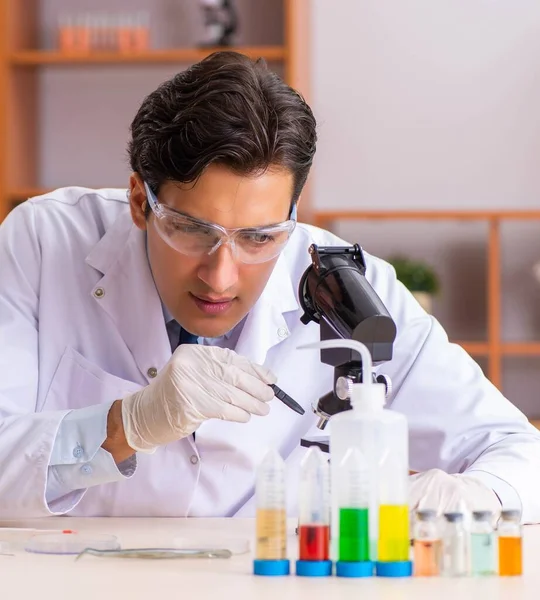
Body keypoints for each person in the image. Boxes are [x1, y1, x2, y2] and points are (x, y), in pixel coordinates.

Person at [1, 51, 539, 521]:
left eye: (259, 236)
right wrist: (124, 425)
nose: (221, 276)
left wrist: (480, 496)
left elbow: (519, 452)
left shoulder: (351, 286)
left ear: (293, 215)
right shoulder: (44, 243)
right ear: (141, 201)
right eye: (192, 230)